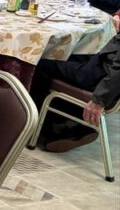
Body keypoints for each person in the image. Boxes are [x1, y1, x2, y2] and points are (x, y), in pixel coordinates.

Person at [32, 9, 120, 152]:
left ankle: (45, 130)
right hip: (101, 64)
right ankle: (72, 123)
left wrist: (99, 100)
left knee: (39, 64)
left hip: (99, 77)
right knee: (71, 56)